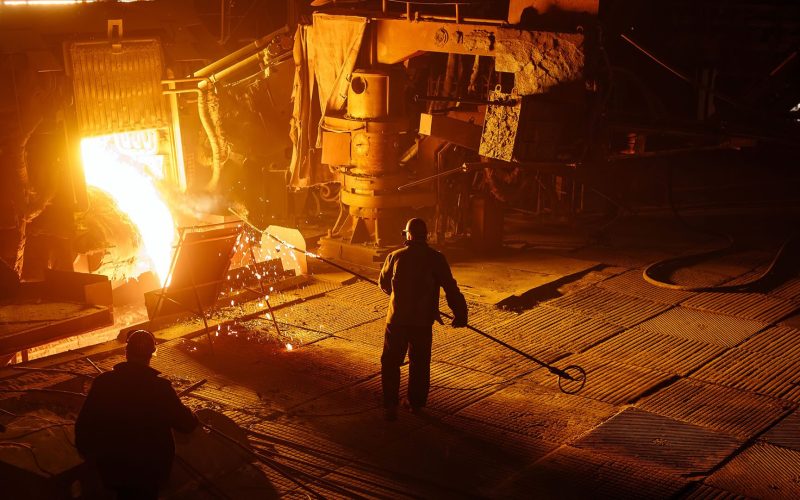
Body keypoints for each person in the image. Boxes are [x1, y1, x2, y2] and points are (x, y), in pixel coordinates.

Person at [75, 329, 198, 499]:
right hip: (150, 471)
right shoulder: (160, 388)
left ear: (126, 352)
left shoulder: (104, 383)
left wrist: (92, 458)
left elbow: (84, 426)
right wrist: (191, 414)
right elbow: (186, 424)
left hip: (113, 468)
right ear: (151, 353)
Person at [379, 218, 468, 421]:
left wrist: (398, 294)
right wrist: (460, 313)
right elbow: (451, 288)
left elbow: (383, 284)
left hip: (397, 320)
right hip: (422, 321)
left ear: (408, 235)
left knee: (391, 362)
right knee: (419, 363)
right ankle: (415, 403)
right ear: (425, 235)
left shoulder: (395, 256)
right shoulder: (436, 258)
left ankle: (390, 405)